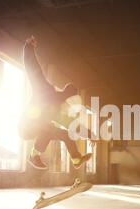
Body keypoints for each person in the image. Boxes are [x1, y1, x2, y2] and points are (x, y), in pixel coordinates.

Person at [19, 36, 93, 170]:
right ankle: (33, 155)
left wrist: (91, 135)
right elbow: (32, 68)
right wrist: (28, 47)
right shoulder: (43, 89)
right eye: (69, 106)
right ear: (66, 99)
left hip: (39, 127)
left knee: (64, 134)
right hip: (25, 126)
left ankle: (76, 159)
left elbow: (74, 126)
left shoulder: (58, 111)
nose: (67, 110)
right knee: (47, 128)